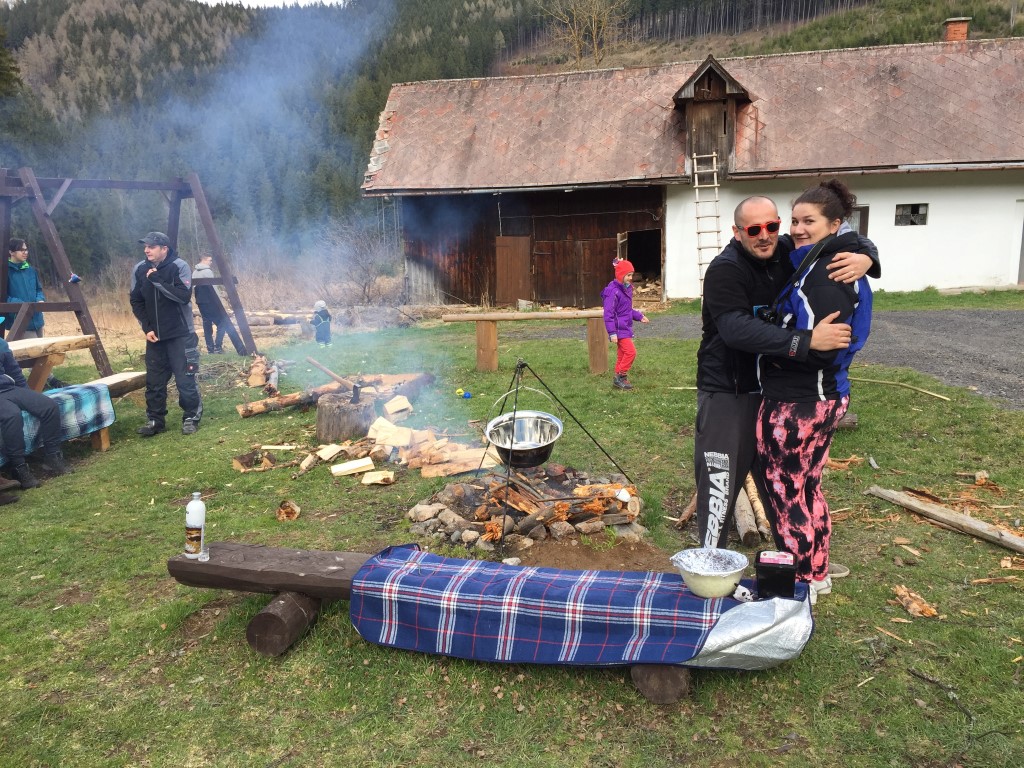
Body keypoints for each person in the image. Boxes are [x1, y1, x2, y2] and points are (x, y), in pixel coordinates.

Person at [694, 195, 879, 557]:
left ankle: (797, 567)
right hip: (730, 390)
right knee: (720, 482)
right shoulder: (725, 270)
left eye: (772, 226)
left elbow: (840, 235)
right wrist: (806, 341)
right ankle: (709, 563)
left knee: (781, 486)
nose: (764, 235)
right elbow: (735, 329)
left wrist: (867, 257)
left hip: (778, 392)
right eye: (753, 230)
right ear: (737, 232)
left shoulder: (784, 249)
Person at [755, 180, 873, 605]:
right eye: (795, 220)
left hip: (798, 402)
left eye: (809, 221)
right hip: (825, 397)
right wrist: (868, 254)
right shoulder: (828, 261)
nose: (798, 229)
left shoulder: (823, 276)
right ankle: (817, 571)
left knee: (786, 492)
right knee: (807, 487)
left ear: (834, 224)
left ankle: (801, 583)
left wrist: (774, 338)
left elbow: (824, 347)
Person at [129, 232, 203, 436]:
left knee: (185, 379)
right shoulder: (139, 269)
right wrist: (147, 328)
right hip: (155, 337)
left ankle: (191, 417)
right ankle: (155, 420)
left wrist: (157, 279)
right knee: (154, 382)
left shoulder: (179, 266)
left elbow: (183, 296)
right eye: (145, 246)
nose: (146, 250)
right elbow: (136, 301)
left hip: (181, 334)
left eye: (151, 246)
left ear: (164, 249)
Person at [0, 334, 72, 491]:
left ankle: (52, 456)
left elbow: (14, 371)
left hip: (8, 388)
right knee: (12, 415)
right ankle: (19, 468)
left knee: (48, 406)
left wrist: (28, 396)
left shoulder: (1, 344)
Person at [601, 259, 649, 390]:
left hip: (625, 327)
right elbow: (608, 314)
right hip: (618, 329)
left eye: (631, 274)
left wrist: (639, 316)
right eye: (628, 275)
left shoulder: (626, 289)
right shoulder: (613, 292)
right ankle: (620, 376)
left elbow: (627, 310)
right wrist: (612, 333)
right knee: (631, 352)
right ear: (620, 275)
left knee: (622, 354)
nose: (631, 278)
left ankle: (619, 380)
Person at [192, 254, 245, 355]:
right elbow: (213, 288)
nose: (211, 262)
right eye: (210, 260)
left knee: (207, 324)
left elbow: (194, 288)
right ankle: (218, 346)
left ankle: (210, 349)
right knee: (223, 323)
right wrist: (220, 300)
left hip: (200, 301)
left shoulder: (194, 272)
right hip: (211, 301)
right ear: (204, 260)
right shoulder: (207, 271)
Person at [4, 238, 46, 339]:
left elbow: (38, 289)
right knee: (33, 348)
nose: (25, 252)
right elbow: (3, 296)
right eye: (21, 250)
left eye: (26, 249)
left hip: (38, 320)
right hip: (19, 321)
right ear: (11, 252)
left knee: (41, 348)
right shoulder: (4, 272)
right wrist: (20, 304)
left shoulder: (31, 270)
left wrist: (40, 299)